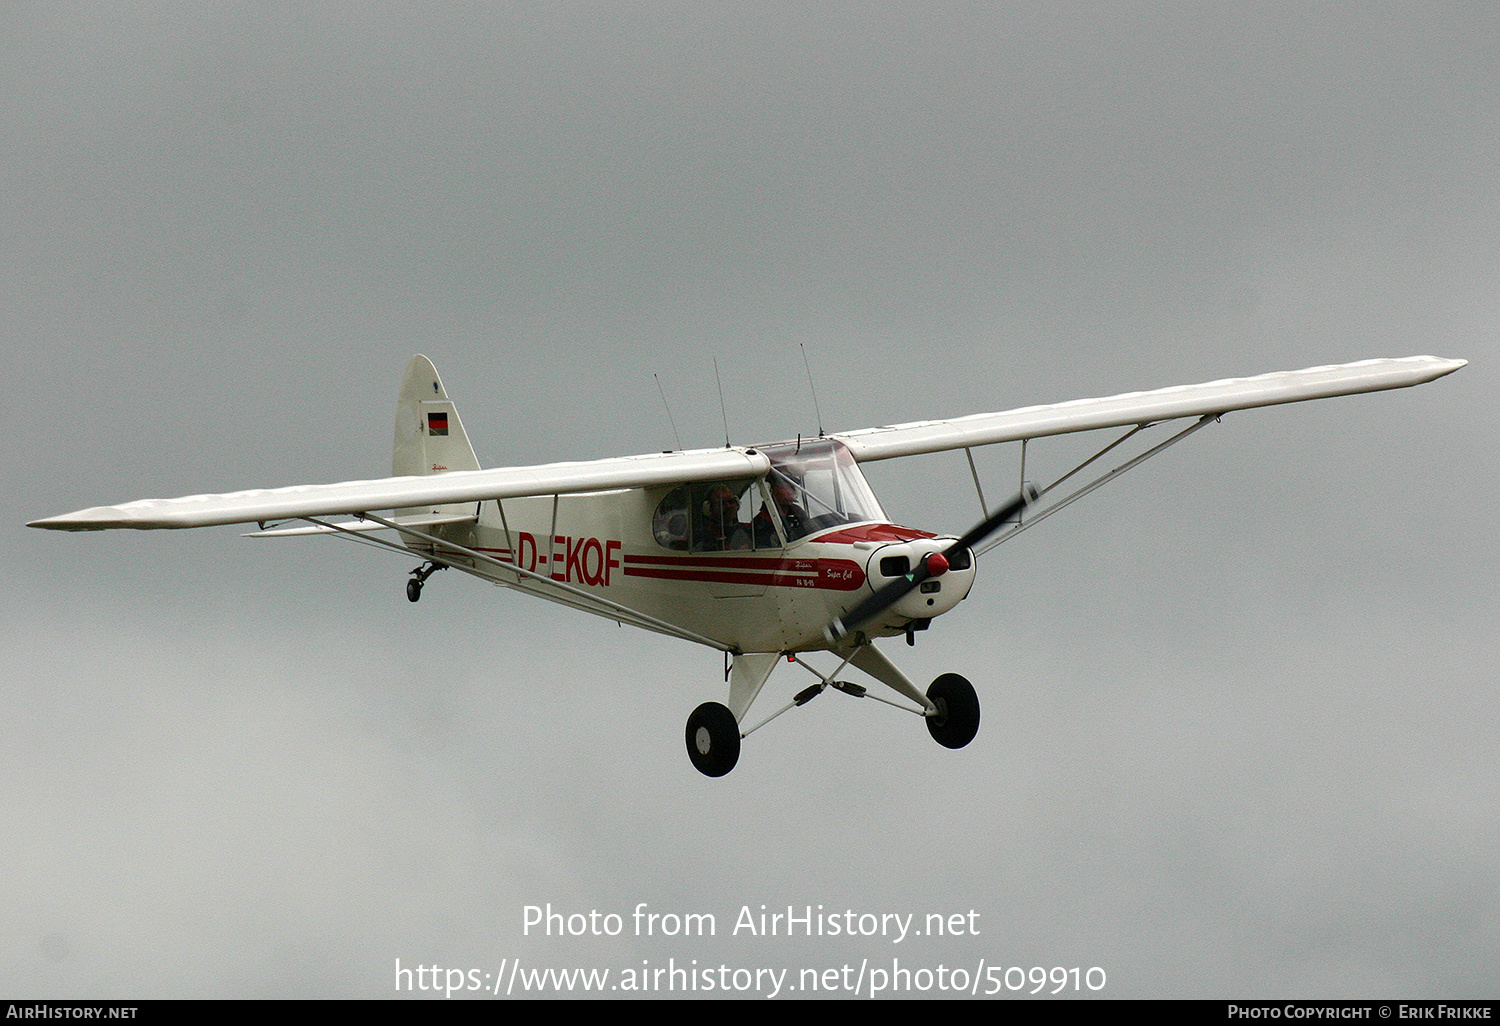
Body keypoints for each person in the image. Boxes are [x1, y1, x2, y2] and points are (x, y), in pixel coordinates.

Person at [694, 483, 751, 551]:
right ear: (709, 508)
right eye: (722, 503)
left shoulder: (747, 530)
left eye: (731, 501)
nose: (728, 506)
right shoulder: (702, 537)